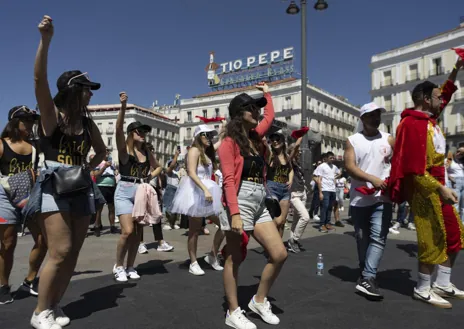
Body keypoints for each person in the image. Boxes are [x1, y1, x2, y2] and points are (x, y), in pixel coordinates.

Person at [29, 15, 106, 329]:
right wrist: (45, 42)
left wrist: (87, 170)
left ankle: (54, 304)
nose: (90, 94)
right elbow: (39, 82)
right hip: (53, 185)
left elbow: (101, 151)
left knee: (73, 252)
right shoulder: (52, 116)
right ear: (73, 91)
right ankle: (39, 312)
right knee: (59, 250)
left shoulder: (87, 124)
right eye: (86, 89)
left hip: (81, 186)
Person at [389, 57, 464, 308]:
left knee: (454, 236)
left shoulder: (430, 120)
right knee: (430, 239)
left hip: (441, 187)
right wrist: (440, 188)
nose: (440, 99)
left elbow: (447, 92)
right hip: (424, 190)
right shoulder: (411, 124)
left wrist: (455, 68)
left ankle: (442, 282)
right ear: (424, 99)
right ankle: (422, 288)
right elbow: (414, 169)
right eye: (435, 96)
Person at [218, 82, 287, 329]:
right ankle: (233, 311)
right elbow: (228, 180)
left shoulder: (255, 138)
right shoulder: (229, 143)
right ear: (239, 113)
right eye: (251, 109)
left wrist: (266, 93)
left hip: (259, 199)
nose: (256, 113)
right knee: (235, 258)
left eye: (256, 109)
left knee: (279, 254)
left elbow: (270, 115)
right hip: (240, 198)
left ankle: (258, 300)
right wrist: (234, 213)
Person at [344, 102, 394, 299]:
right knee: (362, 238)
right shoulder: (352, 140)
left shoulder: (389, 139)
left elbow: (400, 159)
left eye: (378, 115)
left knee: (378, 238)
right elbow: (349, 166)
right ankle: (365, 270)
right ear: (363, 118)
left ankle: (369, 277)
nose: (376, 118)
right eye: (371, 115)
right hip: (359, 198)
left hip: (383, 198)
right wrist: (372, 179)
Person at [113, 92, 162, 282]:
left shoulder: (146, 152)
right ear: (131, 134)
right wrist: (123, 107)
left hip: (141, 192)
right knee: (127, 231)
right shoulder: (126, 152)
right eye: (139, 132)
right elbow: (118, 129)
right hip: (125, 191)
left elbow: (158, 168)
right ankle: (118, 266)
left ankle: (131, 265)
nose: (143, 134)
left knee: (137, 234)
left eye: (144, 132)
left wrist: (149, 176)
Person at [0, 106, 45, 304]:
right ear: (13, 122)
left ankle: (30, 280)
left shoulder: (34, 148)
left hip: (28, 196)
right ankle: (3, 286)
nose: (29, 125)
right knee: (8, 244)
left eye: (31, 121)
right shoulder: (1, 145)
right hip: (3, 195)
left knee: (44, 239)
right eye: (25, 120)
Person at [170, 124, 224, 276]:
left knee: (224, 225)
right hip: (195, 191)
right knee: (194, 231)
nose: (209, 138)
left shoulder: (207, 153)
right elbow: (191, 173)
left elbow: (220, 142)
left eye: (210, 135)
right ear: (198, 137)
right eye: (205, 135)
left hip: (208, 191)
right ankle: (193, 262)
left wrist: (224, 131)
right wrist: (205, 189)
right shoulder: (194, 151)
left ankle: (212, 256)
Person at [266, 132, 293, 237]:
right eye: (272, 140)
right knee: (276, 220)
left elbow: (290, 170)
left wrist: (290, 180)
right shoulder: (271, 155)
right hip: (272, 188)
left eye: (277, 139)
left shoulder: (286, 156)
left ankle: (278, 247)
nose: (275, 141)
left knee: (282, 222)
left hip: (285, 190)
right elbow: (264, 144)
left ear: (282, 141)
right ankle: (270, 243)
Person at [287, 137, 311, 253]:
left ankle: (291, 241)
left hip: (302, 193)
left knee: (297, 219)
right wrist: (299, 139)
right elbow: (292, 153)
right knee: (305, 217)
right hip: (294, 194)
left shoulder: (297, 163)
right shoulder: (289, 161)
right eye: (298, 150)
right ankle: (295, 239)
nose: (300, 151)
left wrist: (305, 187)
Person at [92, 149, 118, 236]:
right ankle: (97, 226)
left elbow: (115, 172)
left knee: (112, 207)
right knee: (99, 208)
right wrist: (104, 167)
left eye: (108, 152)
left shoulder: (112, 162)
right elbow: (95, 174)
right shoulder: (97, 162)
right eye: (105, 151)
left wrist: (116, 172)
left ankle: (112, 226)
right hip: (101, 186)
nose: (107, 153)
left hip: (111, 187)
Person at [314, 152, 341, 232]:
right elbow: (318, 179)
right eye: (330, 158)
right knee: (324, 207)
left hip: (332, 189)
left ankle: (328, 223)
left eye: (333, 158)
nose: (332, 159)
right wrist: (320, 192)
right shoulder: (322, 166)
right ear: (326, 158)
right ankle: (322, 224)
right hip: (325, 189)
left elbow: (339, 173)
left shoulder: (334, 167)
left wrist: (334, 177)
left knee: (330, 207)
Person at [446, 147, 464, 222]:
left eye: (462, 153)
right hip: (455, 183)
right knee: (455, 204)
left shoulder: (461, 162)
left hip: (463, 182)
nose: (459, 154)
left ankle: (462, 225)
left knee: (463, 206)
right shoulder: (449, 160)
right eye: (458, 151)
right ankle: (455, 224)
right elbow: (444, 170)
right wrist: (449, 177)